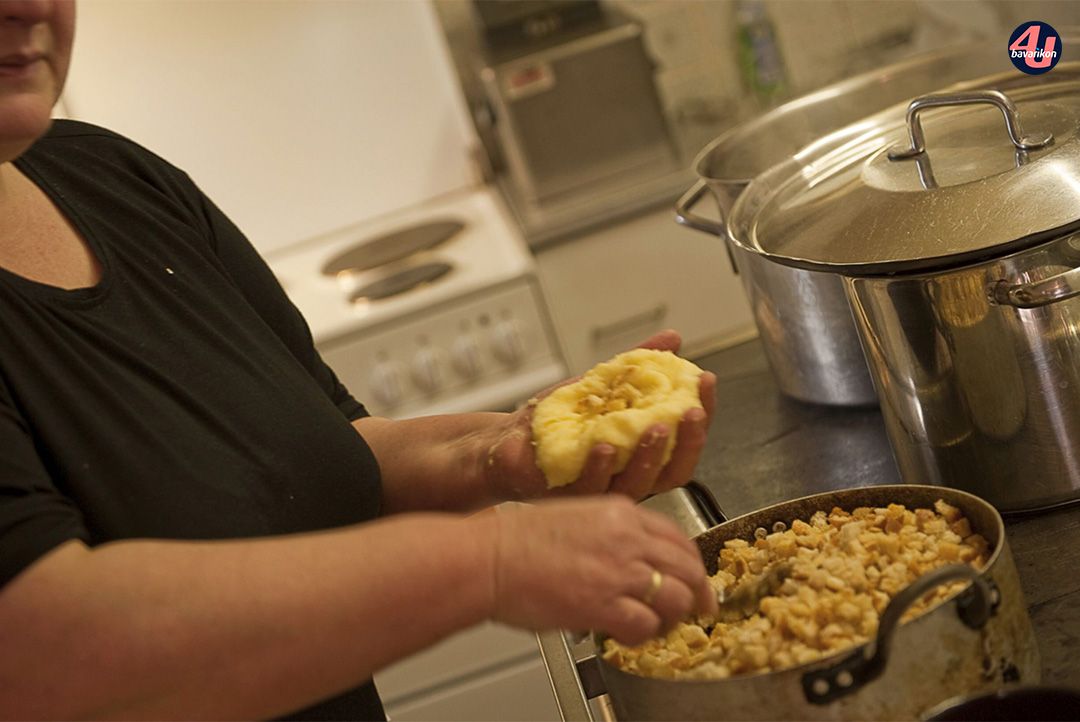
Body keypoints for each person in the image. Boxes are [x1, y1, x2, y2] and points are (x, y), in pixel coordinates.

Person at [0, 2, 719, 719]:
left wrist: (499, 455)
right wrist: (490, 564)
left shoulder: (111, 174)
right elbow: (46, 642)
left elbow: (336, 450)